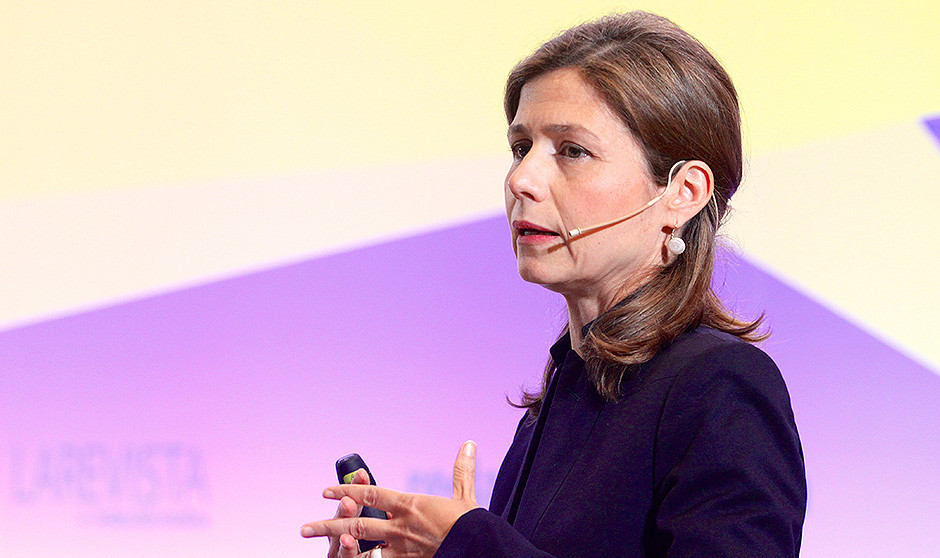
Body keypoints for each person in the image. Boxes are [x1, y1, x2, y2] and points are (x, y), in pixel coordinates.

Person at [301, 11, 806, 557]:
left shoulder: (721, 386)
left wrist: (472, 545)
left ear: (682, 193)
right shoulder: (561, 396)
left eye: (572, 150)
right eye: (522, 148)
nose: (521, 179)